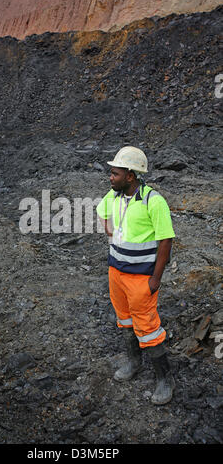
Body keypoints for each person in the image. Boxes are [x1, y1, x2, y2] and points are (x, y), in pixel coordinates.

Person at [96, 146, 176, 405]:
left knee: (147, 328)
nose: (111, 177)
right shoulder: (114, 196)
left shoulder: (154, 201)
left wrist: (155, 279)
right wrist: (112, 236)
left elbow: (165, 241)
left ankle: (165, 379)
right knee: (125, 321)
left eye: (115, 173)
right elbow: (102, 213)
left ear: (130, 175)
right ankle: (134, 363)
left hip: (141, 278)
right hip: (116, 273)